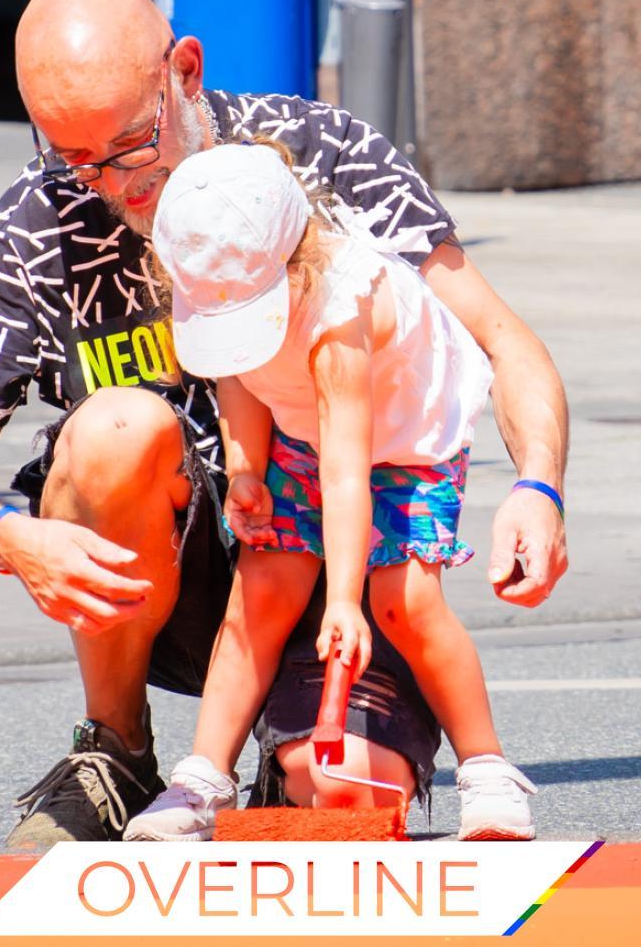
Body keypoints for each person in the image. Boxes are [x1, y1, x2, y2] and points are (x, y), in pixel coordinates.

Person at [0, 0, 571, 845]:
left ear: (184, 71)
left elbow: (501, 342)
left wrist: (539, 486)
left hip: (345, 546)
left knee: (341, 790)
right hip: (172, 574)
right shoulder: (38, 219)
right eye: (72, 154)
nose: (110, 180)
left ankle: (292, 747)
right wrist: (7, 539)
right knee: (114, 429)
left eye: (130, 144)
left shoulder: (325, 155)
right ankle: (116, 746)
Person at [123, 142, 536, 842]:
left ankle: (487, 769)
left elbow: (347, 469)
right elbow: (238, 373)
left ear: (292, 264)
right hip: (303, 431)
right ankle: (201, 779)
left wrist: (344, 600)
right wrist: (246, 466)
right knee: (260, 594)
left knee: (402, 604)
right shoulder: (220, 278)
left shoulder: (340, 317)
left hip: (404, 441)